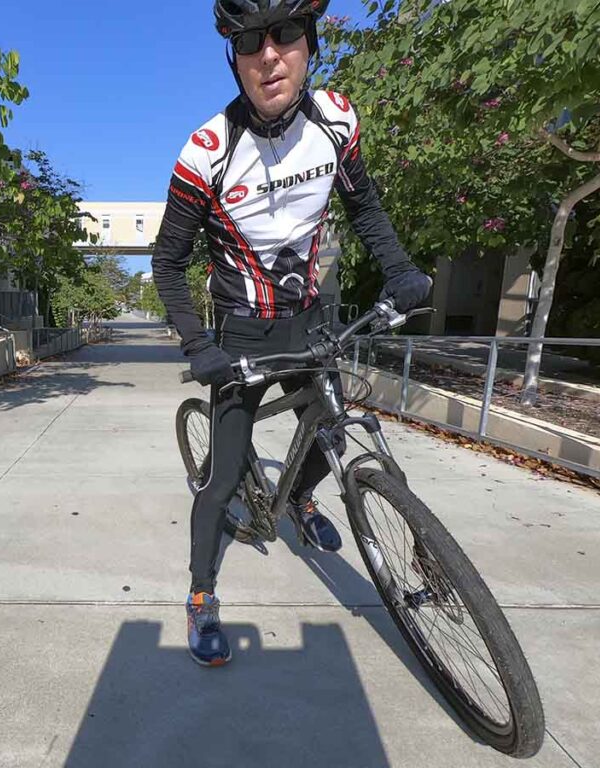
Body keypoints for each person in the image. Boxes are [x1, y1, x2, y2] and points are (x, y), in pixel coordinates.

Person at [151, 0, 432, 667]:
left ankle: (300, 497)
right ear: (233, 55)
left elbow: (365, 208)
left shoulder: (336, 121)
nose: (268, 54)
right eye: (250, 40)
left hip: (309, 323)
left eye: (284, 35)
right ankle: (199, 596)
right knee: (220, 485)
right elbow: (167, 261)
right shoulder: (207, 151)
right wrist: (199, 345)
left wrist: (400, 269)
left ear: (307, 43)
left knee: (328, 434)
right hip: (240, 341)